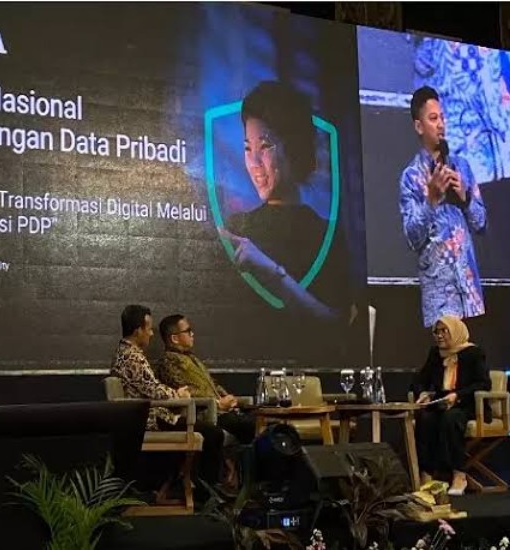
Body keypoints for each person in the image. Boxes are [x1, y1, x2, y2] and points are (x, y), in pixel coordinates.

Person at [221, 80, 356, 327]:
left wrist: (272, 272)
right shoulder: (236, 230)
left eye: (265, 146)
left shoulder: (326, 235)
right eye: (247, 148)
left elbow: (338, 324)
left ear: (294, 148)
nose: (254, 163)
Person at [399, 86, 487, 328]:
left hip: (470, 294)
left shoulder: (462, 167)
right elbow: (412, 238)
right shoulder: (411, 177)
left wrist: (465, 198)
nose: (441, 125)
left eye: (442, 117)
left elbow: (481, 224)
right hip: (440, 298)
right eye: (433, 118)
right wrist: (430, 199)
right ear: (419, 126)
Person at [110, 304, 224, 486]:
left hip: (147, 415)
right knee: (213, 433)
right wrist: (178, 394)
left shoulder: (125, 353)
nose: (151, 334)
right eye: (148, 329)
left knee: (209, 430)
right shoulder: (132, 357)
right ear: (138, 330)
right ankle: (205, 490)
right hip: (150, 419)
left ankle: (193, 486)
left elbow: (150, 387)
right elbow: (154, 390)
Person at [413, 315, 491, 495]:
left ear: (455, 331)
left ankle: (459, 475)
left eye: (444, 331)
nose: (439, 336)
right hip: (442, 403)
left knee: (451, 419)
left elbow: (483, 383)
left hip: (467, 404)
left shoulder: (473, 353)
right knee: (425, 419)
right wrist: (423, 393)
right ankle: (427, 475)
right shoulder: (435, 353)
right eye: (436, 332)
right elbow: (419, 380)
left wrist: (457, 396)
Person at [156, 314, 256, 446]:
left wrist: (227, 397)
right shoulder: (168, 362)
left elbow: (212, 384)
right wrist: (218, 403)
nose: (192, 334)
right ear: (175, 338)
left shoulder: (192, 358)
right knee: (250, 425)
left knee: (257, 419)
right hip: (205, 414)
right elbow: (185, 392)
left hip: (221, 411)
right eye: (188, 331)